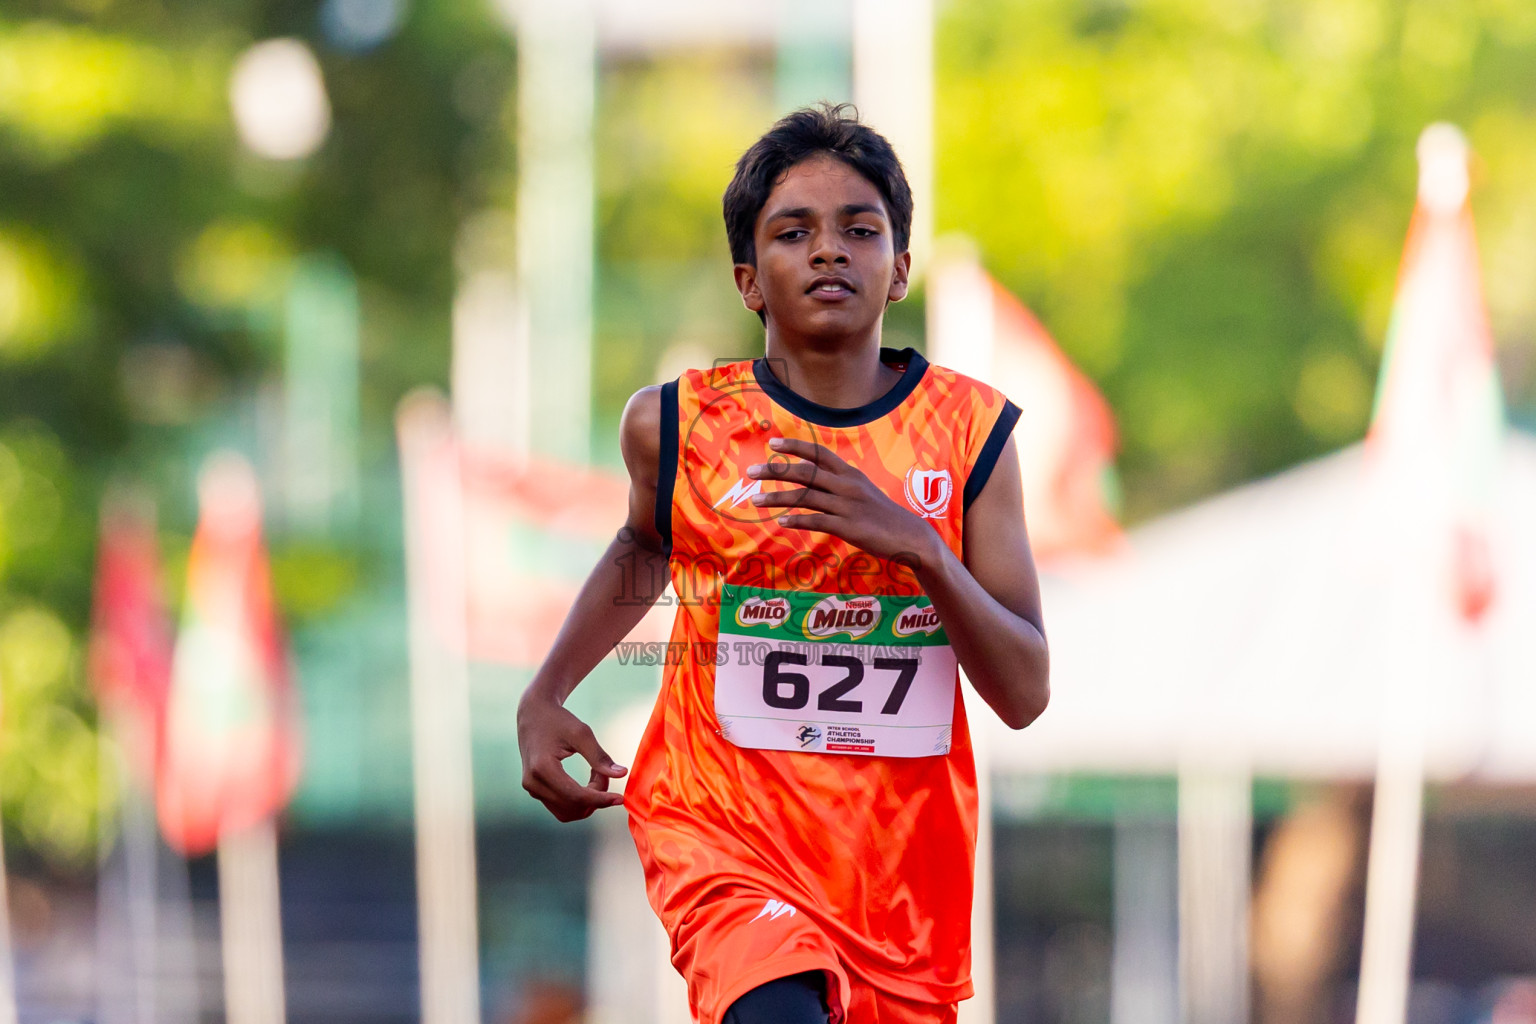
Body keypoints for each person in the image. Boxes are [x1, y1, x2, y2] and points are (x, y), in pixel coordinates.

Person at [516, 103, 1049, 1024]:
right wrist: (546, 691)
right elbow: (644, 542)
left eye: (860, 229)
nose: (829, 251)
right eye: (793, 232)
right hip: (721, 830)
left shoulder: (972, 436)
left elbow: (1025, 691)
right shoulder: (678, 424)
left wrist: (920, 548)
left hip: (896, 881)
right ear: (749, 279)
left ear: (901, 270)